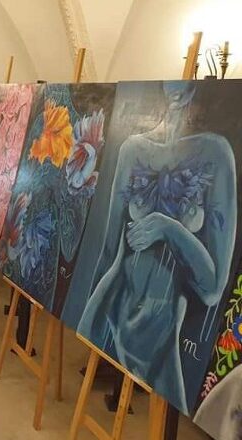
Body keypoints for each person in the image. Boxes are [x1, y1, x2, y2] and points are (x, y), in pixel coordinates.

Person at [77, 81, 235, 413]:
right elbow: (109, 251)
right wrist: (91, 329)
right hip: (112, 308)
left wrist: (169, 229)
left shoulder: (215, 153)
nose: (178, 86)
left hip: (161, 329)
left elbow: (212, 288)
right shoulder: (133, 148)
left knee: (167, 411)